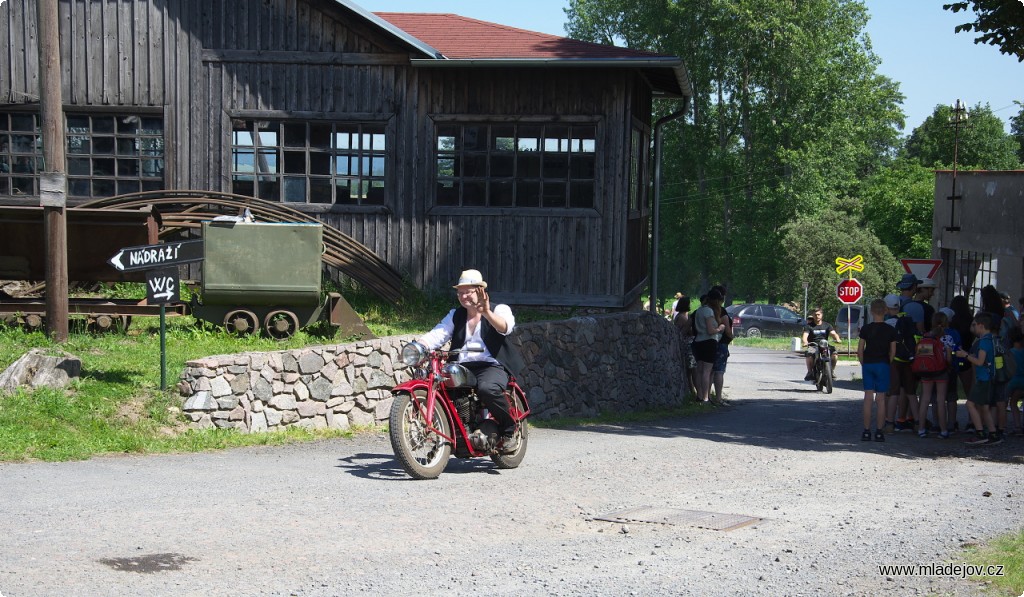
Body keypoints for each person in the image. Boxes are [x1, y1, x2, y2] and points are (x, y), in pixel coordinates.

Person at [417, 269, 526, 453]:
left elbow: (505, 327)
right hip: (462, 366)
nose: (463, 296)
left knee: (487, 388)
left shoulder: (499, 309)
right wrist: (420, 344)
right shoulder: (456, 315)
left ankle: (509, 430)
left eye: (468, 291)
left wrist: (487, 313)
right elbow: (439, 333)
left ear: (480, 290)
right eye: (460, 292)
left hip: (491, 365)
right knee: (443, 387)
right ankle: (455, 432)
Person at [955, 313, 1003, 446]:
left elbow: (980, 362)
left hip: (983, 379)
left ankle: (980, 433)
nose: (973, 327)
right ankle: (993, 434)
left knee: (970, 404)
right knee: (985, 408)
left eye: (975, 325)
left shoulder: (983, 342)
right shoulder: (992, 339)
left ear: (981, 326)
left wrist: (965, 355)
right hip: (989, 378)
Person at [857, 298, 896, 442]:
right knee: (881, 399)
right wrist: (888, 362)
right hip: (883, 364)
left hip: (868, 364)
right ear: (885, 311)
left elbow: (860, 349)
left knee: (868, 398)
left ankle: (866, 431)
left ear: (872, 311)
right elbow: (893, 351)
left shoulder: (866, 329)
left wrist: (863, 363)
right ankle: (879, 431)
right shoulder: (890, 330)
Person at [915, 312, 953, 439]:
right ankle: (943, 430)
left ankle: (921, 429)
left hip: (926, 371)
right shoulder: (947, 338)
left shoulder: (926, 337)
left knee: (925, 399)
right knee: (941, 400)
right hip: (941, 372)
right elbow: (948, 358)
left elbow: (924, 357)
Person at [692, 289, 725, 403]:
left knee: (699, 370)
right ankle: (706, 397)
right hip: (708, 342)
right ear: (716, 300)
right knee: (707, 371)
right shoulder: (709, 312)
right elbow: (711, 330)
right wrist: (720, 328)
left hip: (698, 341)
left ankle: (700, 395)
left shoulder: (699, 310)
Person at [938, 306, 964, 434]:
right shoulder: (954, 333)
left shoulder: (933, 333)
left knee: (936, 396)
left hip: (935, 368)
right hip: (951, 366)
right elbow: (959, 348)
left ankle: (937, 423)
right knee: (951, 396)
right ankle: (951, 423)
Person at [802, 307, 840, 381]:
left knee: (834, 355)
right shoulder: (809, 326)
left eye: (819, 314)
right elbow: (805, 335)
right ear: (813, 315)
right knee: (809, 354)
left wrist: (837, 339)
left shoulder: (827, 325)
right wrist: (805, 342)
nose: (817, 316)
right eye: (815, 315)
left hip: (824, 345)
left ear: (822, 315)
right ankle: (810, 372)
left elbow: (833, 334)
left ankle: (831, 371)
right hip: (813, 345)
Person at [710, 285, 733, 404]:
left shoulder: (706, 309)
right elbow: (727, 330)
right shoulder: (721, 311)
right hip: (721, 343)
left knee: (709, 370)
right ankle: (718, 398)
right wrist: (730, 336)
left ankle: (706, 396)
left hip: (708, 342)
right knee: (719, 371)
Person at [672, 294, 697, 399]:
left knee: (689, 372)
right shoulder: (683, 317)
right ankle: (694, 392)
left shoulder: (680, 316)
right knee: (691, 371)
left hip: (684, 343)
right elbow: (687, 331)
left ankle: (692, 392)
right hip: (687, 344)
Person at [1006, 327, 1024, 436]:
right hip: (1023, 380)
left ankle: (1015, 427)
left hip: (1012, 380)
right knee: (1016, 400)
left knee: (1010, 403)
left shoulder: (1010, 352)